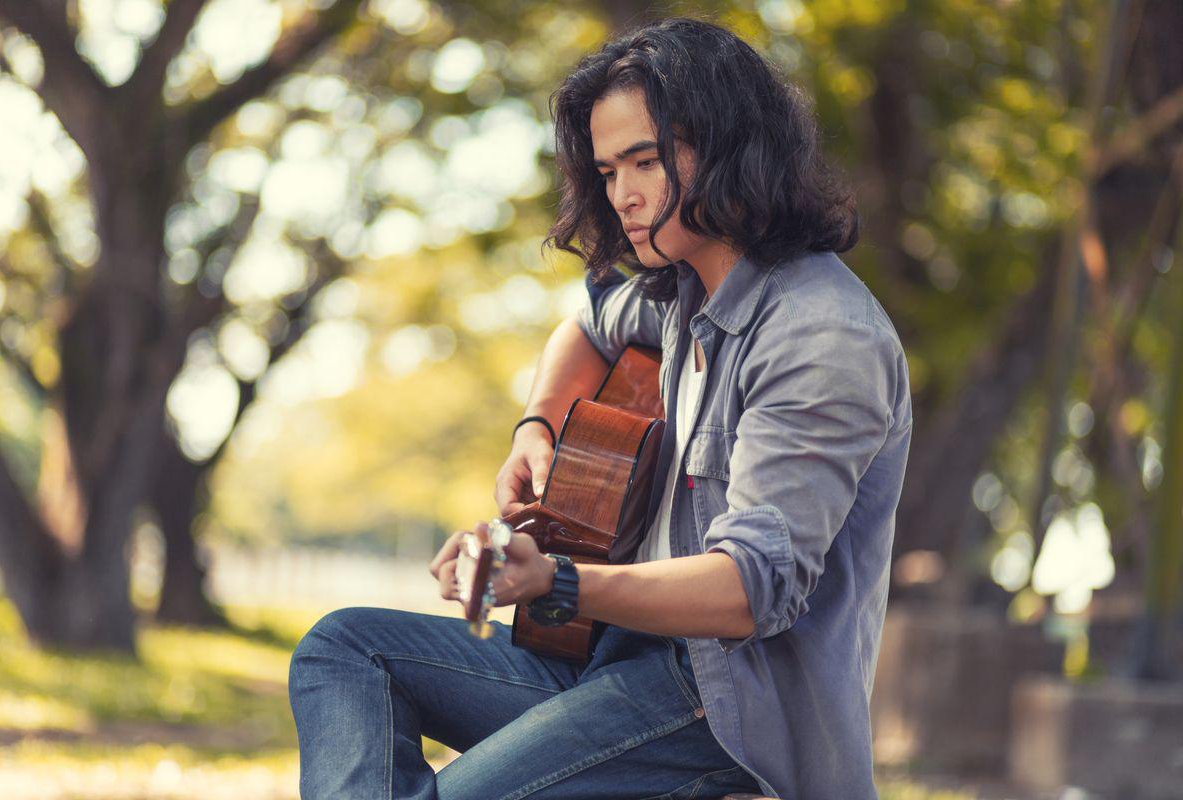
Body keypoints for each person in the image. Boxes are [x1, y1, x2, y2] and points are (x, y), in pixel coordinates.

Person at [289, 16, 912, 800]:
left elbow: (749, 591)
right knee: (343, 650)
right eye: (609, 170)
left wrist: (556, 580)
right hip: (613, 662)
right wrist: (537, 429)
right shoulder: (684, 291)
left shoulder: (822, 336)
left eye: (645, 161)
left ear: (728, 143)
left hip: (723, 714)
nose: (623, 195)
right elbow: (585, 327)